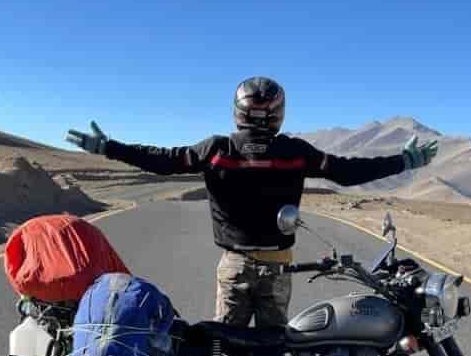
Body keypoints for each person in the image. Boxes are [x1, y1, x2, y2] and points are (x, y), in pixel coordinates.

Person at [65, 76, 437, 327]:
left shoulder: (217, 149)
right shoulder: (294, 151)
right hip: (278, 269)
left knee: (224, 350)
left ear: (238, 111)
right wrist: (402, 161)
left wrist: (109, 148)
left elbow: (163, 160)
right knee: (273, 349)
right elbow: (346, 171)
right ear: (278, 113)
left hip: (234, 267)